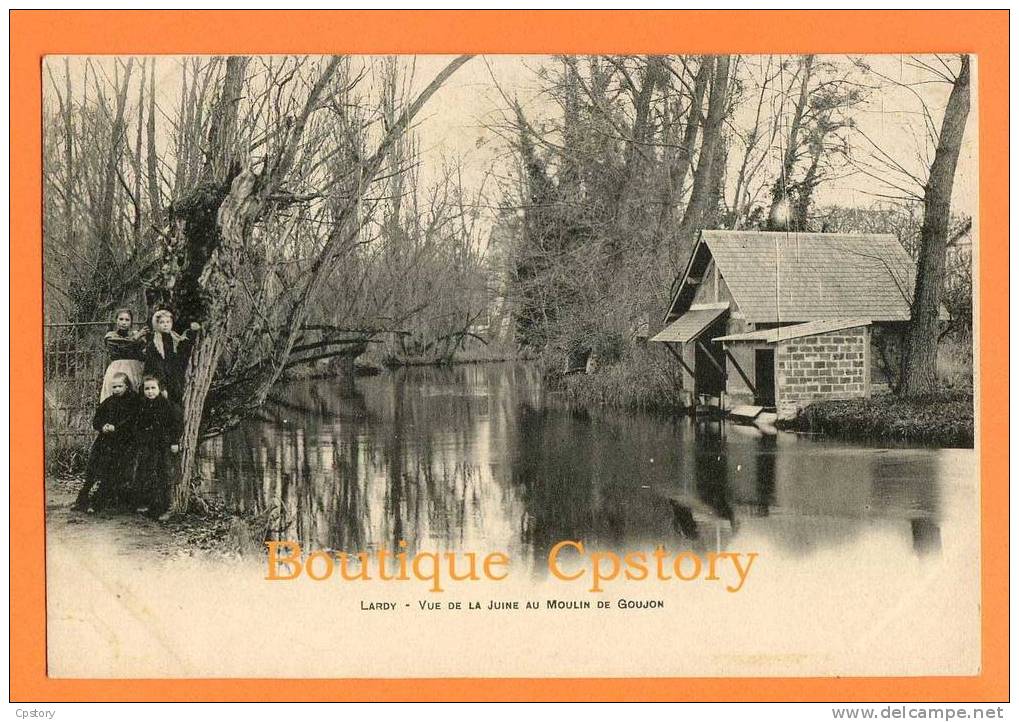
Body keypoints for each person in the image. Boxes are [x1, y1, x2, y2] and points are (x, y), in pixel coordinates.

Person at [72, 372, 138, 512]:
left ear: (127, 386)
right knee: (93, 469)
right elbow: (97, 419)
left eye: (120, 386)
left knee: (111, 472)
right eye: (114, 387)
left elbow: (133, 421)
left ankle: (98, 502)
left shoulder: (133, 401)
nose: (117, 390)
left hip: (123, 443)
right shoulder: (108, 401)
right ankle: (82, 499)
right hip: (105, 441)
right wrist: (103, 426)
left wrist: (117, 427)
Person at [131, 375, 184, 520]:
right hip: (150, 445)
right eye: (147, 389)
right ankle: (151, 505)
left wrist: (174, 442)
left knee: (166, 475)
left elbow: (177, 425)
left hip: (165, 445)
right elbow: (138, 425)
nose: (150, 392)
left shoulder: (167, 406)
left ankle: (169, 507)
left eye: (153, 388)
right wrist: (142, 437)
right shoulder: (143, 406)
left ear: (160, 389)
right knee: (148, 472)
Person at [143, 309, 200, 404]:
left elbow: (185, 348)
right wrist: (162, 387)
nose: (165, 325)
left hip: (175, 378)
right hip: (162, 379)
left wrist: (193, 331)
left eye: (168, 322)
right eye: (162, 322)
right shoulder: (154, 344)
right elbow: (155, 367)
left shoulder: (175, 338)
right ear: (156, 324)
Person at [99, 308, 147, 402]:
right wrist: (137, 337)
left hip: (134, 369)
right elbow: (124, 346)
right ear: (116, 320)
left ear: (131, 322)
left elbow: (141, 353)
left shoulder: (137, 335)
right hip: (117, 369)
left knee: (134, 395)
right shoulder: (111, 336)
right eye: (121, 319)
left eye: (127, 320)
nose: (123, 322)